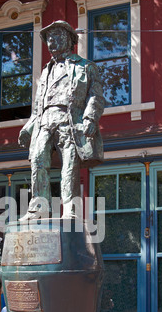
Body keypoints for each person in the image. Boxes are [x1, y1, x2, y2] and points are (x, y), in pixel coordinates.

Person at [18, 21, 104, 220]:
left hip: (70, 121)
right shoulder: (46, 71)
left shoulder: (86, 67)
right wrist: (28, 128)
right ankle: (38, 208)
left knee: (70, 166)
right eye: (49, 38)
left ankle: (70, 210)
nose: (51, 41)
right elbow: (39, 106)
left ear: (70, 39)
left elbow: (96, 96)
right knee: (38, 160)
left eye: (56, 36)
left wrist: (90, 117)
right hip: (45, 122)